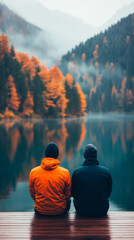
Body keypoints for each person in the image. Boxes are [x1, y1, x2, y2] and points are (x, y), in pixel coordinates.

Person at [29, 142, 71, 215]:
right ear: (57, 155)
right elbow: (68, 195)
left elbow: (33, 195)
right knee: (68, 200)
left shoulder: (34, 172)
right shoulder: (65, 172)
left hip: (40, 211)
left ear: (45, 154)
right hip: (59, 211)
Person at [71, 144, 112, 217]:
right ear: (96, 156)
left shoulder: (77, 173)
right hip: (102, 209)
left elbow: (74, 194)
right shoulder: (106, 172)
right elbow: (108, 193)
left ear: (84, 156)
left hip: (82, 210)